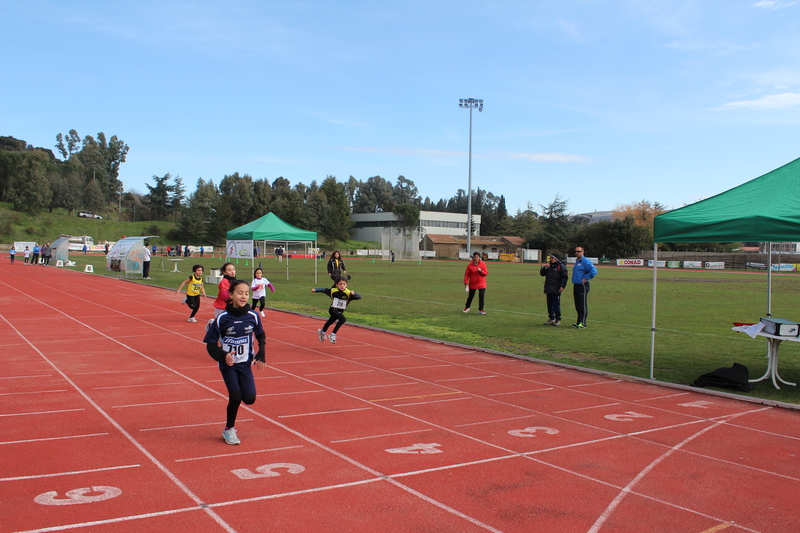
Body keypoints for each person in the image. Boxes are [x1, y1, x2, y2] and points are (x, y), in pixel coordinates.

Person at [203, 280, 266, 445]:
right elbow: (210, 346)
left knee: (250, 398)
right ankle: (229, 429)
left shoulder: (253, 316)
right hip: (228, 365)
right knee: (236, 396)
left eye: (246, 293)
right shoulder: (223, 318)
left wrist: (261, 354)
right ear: (231, 295)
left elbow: (260, 335)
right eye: (240, 292)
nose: (244, 296)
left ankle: (230, 427)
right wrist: (223, 355)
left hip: (245, 363)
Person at [311, 277, 362, 344]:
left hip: (340, 311)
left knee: (330, 321)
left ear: (346, 285)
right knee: (343, 319)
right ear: (337, 285)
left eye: (344, 284)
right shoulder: (332, 291)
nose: (342, 286)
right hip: (333, 309)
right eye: (340, 284)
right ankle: (333, 334)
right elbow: (324, 290)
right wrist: (315, 290)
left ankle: (322, 331)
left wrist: (354, 294)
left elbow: (359, 297)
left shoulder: (348, 293)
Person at [571, 246, 597, 329]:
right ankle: (578, 322)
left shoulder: (585, 261)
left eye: (578, 251)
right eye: (576, 251)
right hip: (576, 285)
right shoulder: (577, 261)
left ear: (583, 252)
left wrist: (586, 278)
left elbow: (594, 271)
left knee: (582, 305)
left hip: (582, 286)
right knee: (577, 305)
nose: (577, 253)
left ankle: (582, 323)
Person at [540, 253, 568, 326]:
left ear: (556, 259)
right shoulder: (549, 266)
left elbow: (564, 277)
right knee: (549, 304)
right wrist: (545, 267)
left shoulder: (560, 266)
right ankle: (551, 318)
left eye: (552, 258)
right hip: (549, 288)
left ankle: (558, 319)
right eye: (550, 258)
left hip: (556, 288)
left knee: (556, 305)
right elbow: (542, 273)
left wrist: (562, 286)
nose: (551, 259)